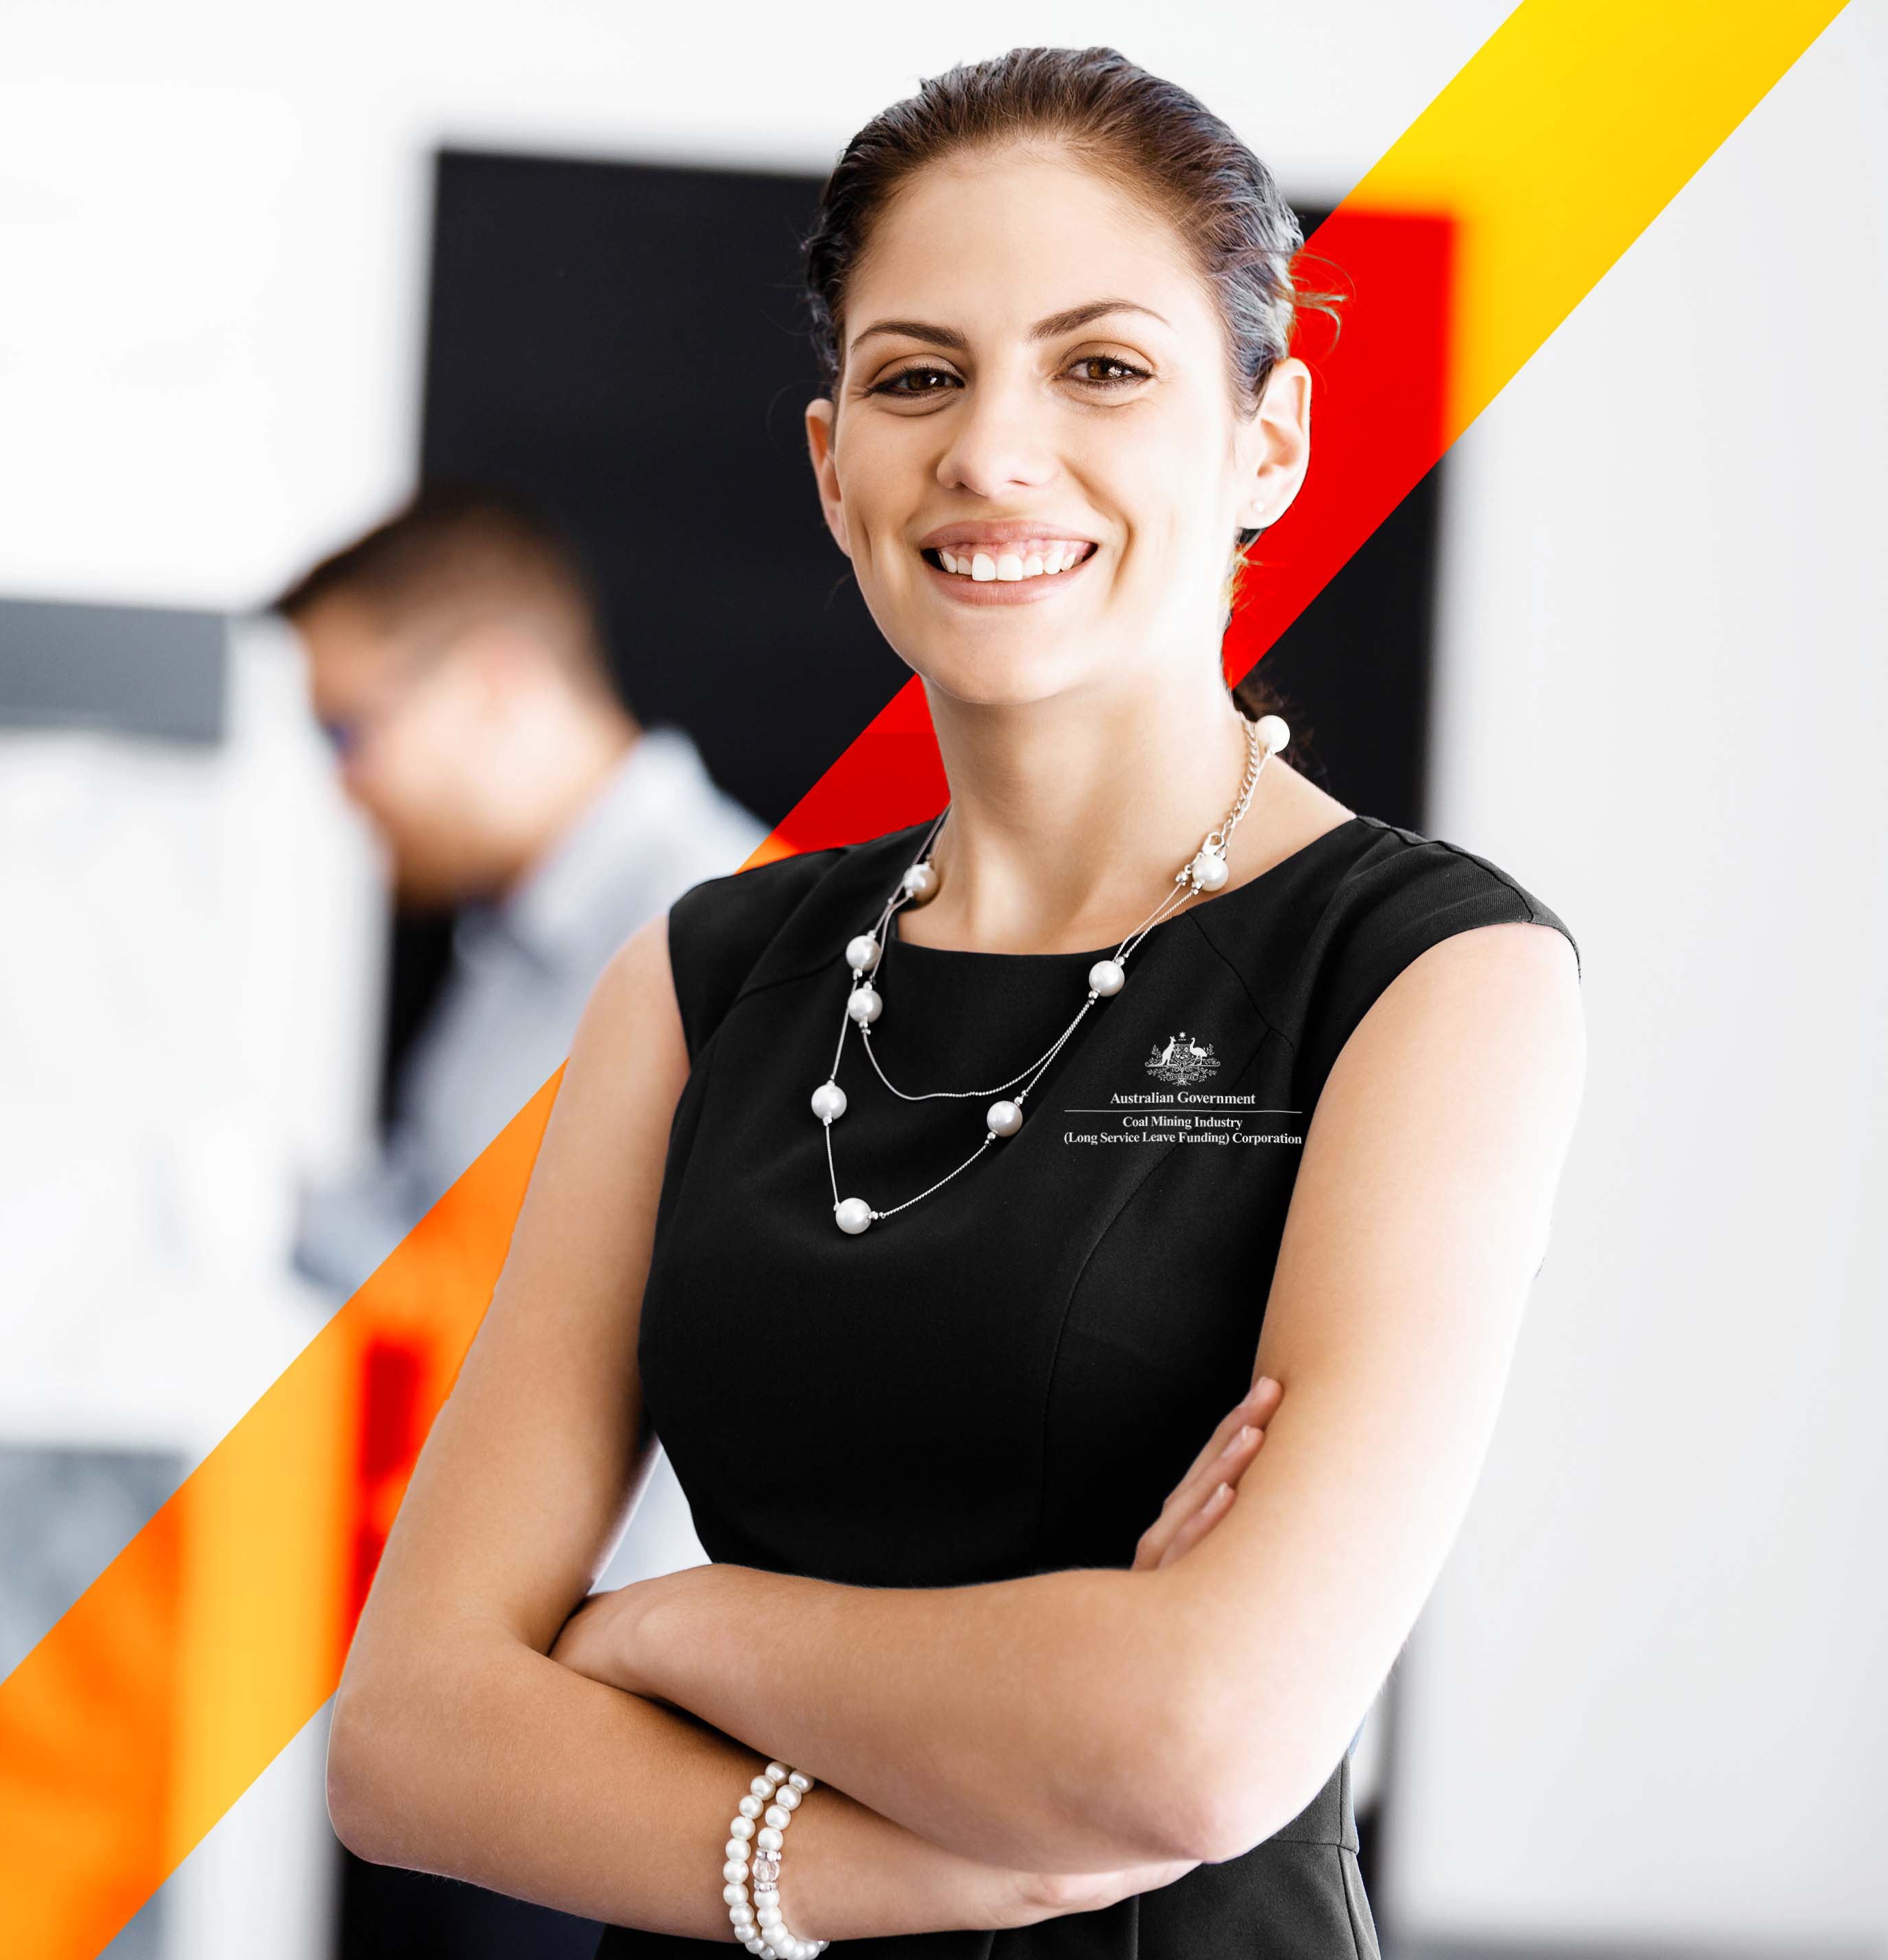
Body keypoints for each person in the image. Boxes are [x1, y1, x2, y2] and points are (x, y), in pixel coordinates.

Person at [325, 46, 1586, 1957]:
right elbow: (412, 1737)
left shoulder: (1427, 973)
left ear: (1270, 441)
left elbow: (1194, 1743)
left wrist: (663, 1630)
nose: (992, 452)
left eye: (1100, 367)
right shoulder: (696, 981)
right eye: (918, 375)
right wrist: (928, 1863)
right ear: (834, 466)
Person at [277, 483, 766, 1956]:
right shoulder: (515, 952)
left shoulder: (718, 938)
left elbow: (525, 1321)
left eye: (347, 731)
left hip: (602, 1708)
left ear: (494, 685)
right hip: (475, 1669)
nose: (338, 785)